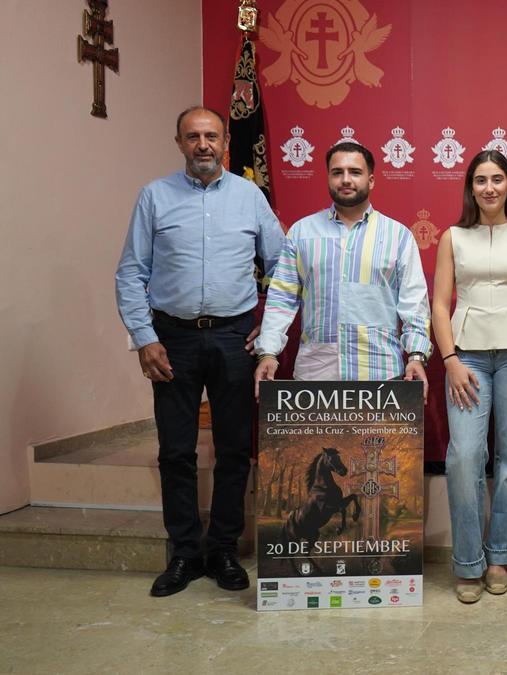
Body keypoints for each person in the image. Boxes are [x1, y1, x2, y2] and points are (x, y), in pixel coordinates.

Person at [115, 106, 284, 597]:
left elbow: (284, 266)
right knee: (175, 451)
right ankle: (186, 553)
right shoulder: (155, 197)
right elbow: (131, 272)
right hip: (174, 340)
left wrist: (267, 330)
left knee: (233, 450)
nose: (204, 145)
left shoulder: (249, 196)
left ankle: (224, 550)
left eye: (212, 136)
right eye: (194, 137)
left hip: (235, 338)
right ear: (179, 142)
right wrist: (145, 338)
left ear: (226, 140)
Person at [430, 150, 507, 603]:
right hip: (467, 359)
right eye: (480, 180)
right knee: (464, 456)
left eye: (497, 179)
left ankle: (499, 555)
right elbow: (441, 305)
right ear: (470, 187)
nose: (489, 188)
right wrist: (449, 359)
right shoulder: (453, 237)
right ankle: (467, 561)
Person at [254, 142, 431, 392]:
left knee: (378, 435)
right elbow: (281, 299)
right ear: (328, 178)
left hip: (380, 375)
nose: (346, 180)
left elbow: (414, 303)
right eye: (337, 172)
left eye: (355, 172)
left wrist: (416, 356)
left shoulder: (397, 236)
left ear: (371, 181)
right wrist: (268, 352)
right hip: (316, 376)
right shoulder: (302, 233)